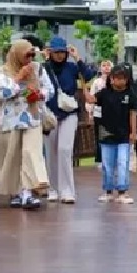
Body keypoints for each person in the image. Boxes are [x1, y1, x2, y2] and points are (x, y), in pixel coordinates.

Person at [0, 39, 53, 210]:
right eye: (27, 55)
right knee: (13, 156)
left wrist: (39, 94)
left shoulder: (38, 68)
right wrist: (19, 78)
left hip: (33, 117)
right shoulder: (4, 70)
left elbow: (50, 90)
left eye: (33, 55)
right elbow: (3, 93)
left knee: (31, 153)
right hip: (11, 120)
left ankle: (28, 193)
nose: (30, 58)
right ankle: (15, 192)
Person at [42, 36, 96, 204]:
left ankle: (67, 191)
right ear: (50, 52)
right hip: (50, 114)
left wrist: (77, 57)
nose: (60, 55)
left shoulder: (71, 67)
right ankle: (52, 189)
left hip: (69, 112)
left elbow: (88, 75)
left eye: (62, 52)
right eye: (56, 52)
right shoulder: (44, 68)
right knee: (50, 151)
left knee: (65, 150)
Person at [84, 64, 137, 204]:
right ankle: (108, 191)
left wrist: (134, 132)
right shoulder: (104, 93)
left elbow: (133, 114)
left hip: (124, 135)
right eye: (117, 78)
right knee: (107, 164)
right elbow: (91, 100)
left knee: (122, 162)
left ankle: (123, 191)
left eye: (123, 78)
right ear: (111, 79)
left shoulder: (130, 94)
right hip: (106, 133)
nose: (120, 81)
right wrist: (84, 85)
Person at [88, 60, 112, 167]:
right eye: (104, 66)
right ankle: (99, 159)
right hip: (98, 113)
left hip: (111, 113)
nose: (106, 68)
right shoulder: (96, 82)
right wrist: (90, 112)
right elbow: (92, 96)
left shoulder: (113, 81)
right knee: (99, 136)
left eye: (108, 65)